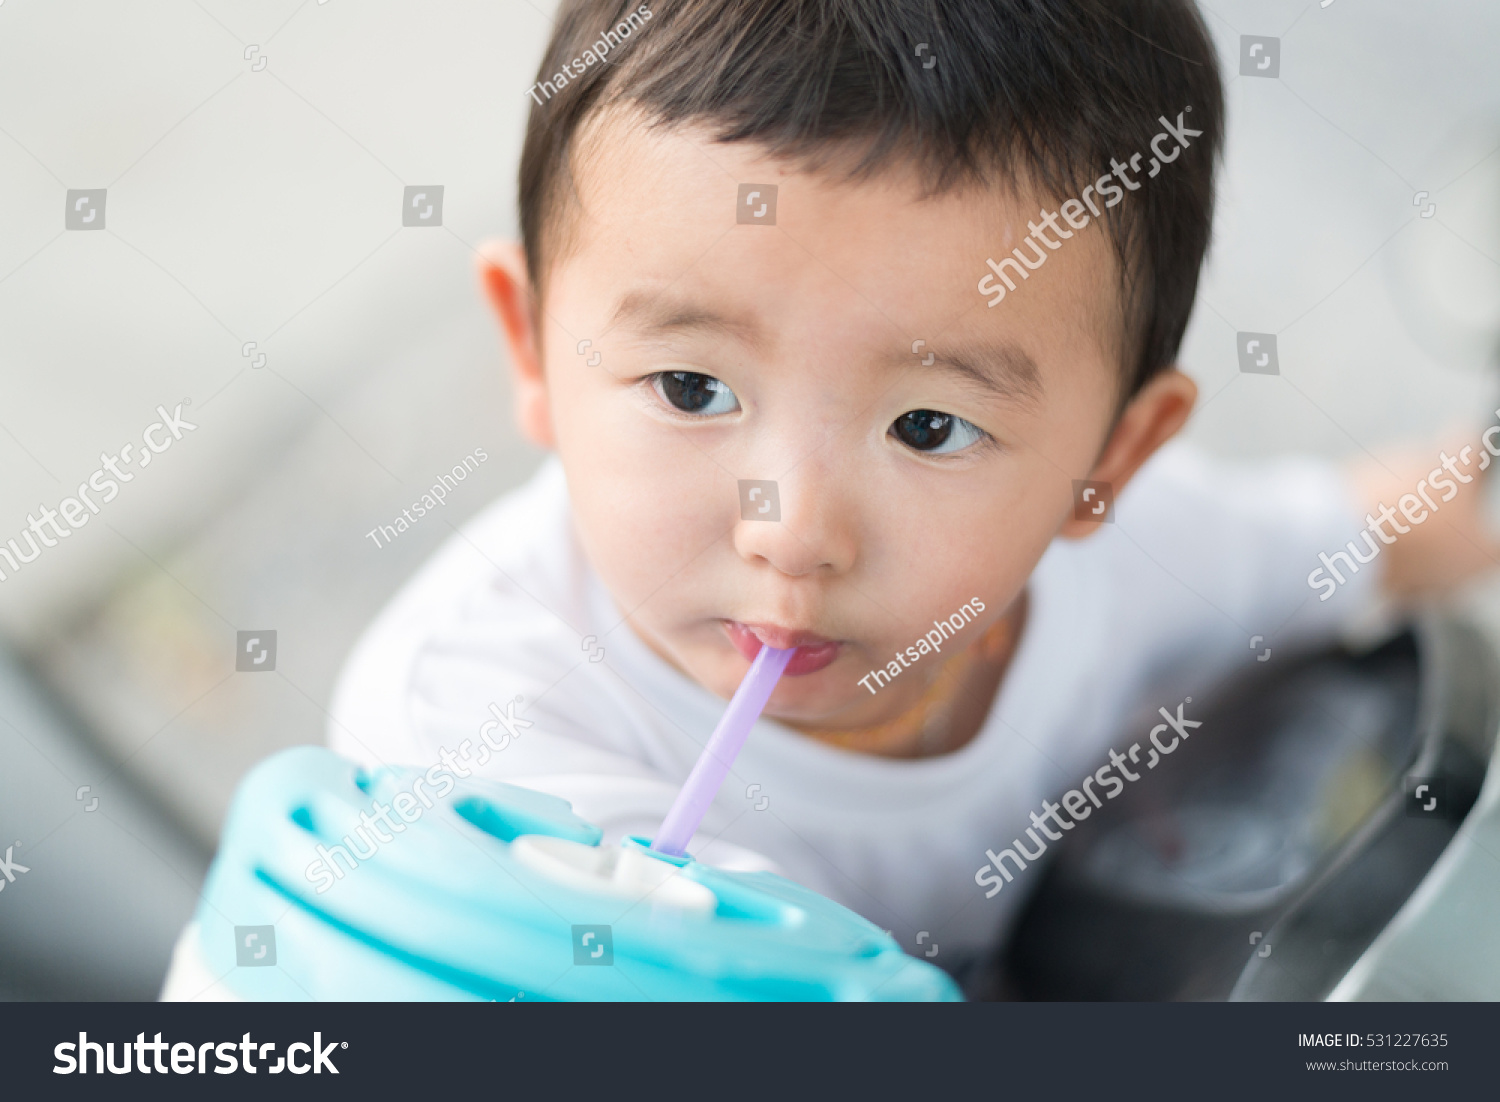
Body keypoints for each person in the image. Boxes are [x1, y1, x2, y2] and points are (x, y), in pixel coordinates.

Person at [327, 0, 1500, 989]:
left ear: (1110, 461)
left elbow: (1398, 524)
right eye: (690, 386)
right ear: (533, 348)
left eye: (928, 426)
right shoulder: (469, 744)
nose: (794, 530)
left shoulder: (1152, 558)